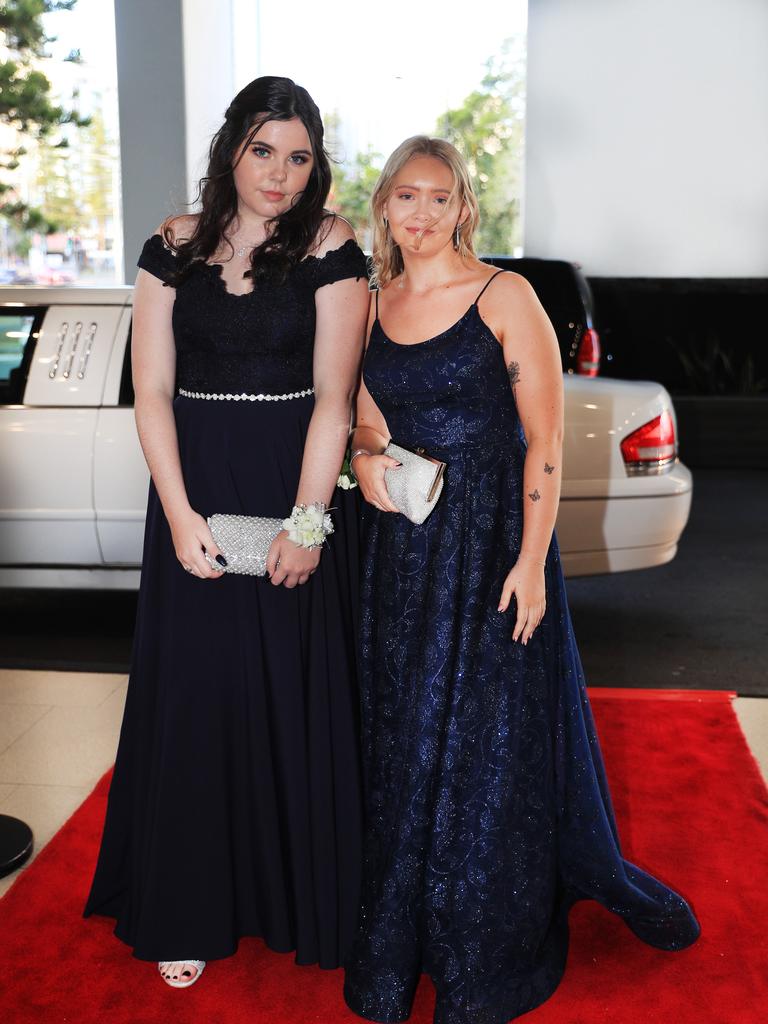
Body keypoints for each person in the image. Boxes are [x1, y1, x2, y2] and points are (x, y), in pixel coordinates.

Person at [343, 136, 700, 1024]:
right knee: (406, 729)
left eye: (439, 198)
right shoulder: (372, 303)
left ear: (464, 206)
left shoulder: (507, 296)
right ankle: (403, 931)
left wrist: (533, 564)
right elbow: (363, 426)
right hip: (406, 551)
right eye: (404, 197)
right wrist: (370, 467)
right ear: (384, 205)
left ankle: (483, 942)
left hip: (498, 541)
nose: (420, 214)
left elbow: (542, 443)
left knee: (486, 737)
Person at [84, 76, 369, 988]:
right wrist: (176, 512)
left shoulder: (332, 244)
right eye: (262, 151)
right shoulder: (172, 243)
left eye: (298, 156)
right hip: (194, 479)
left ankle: (298, 895)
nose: (280, 174)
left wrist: (310, 521)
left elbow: (334, 398)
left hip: (297, 477)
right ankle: (186, 906)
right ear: (230, 150)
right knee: (196, 697)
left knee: (290, 690)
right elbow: (153, 390)